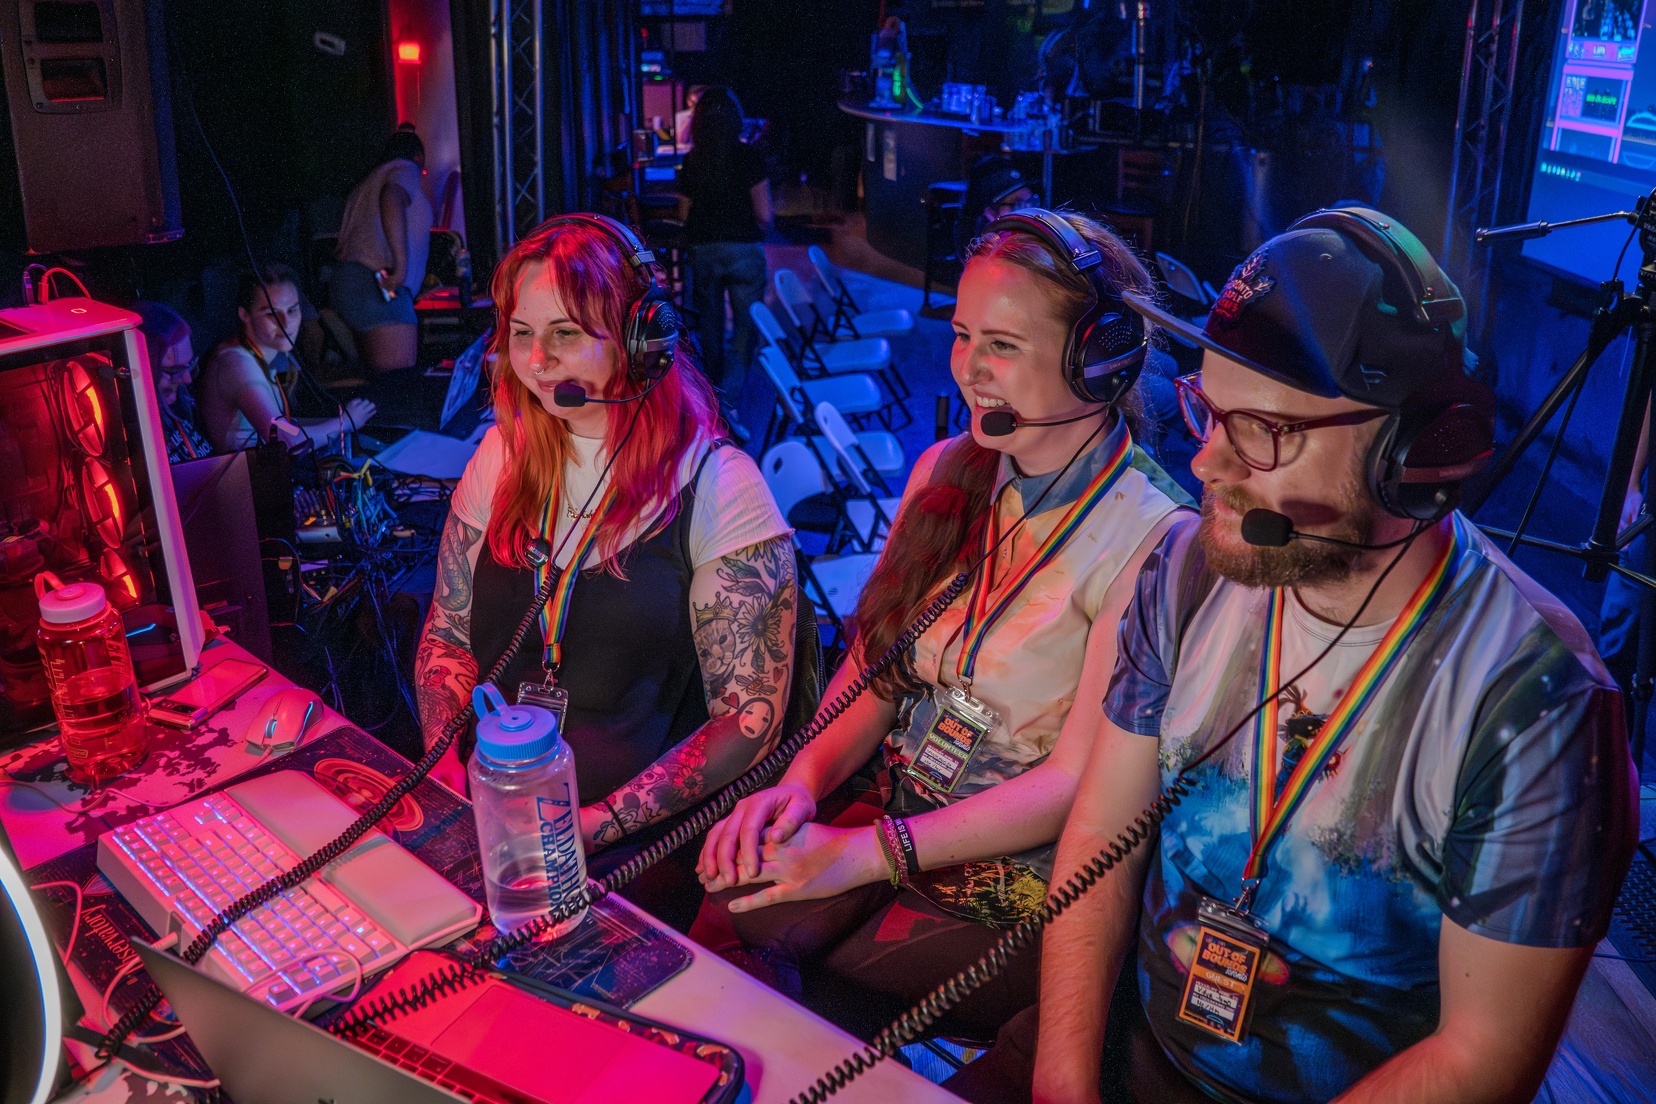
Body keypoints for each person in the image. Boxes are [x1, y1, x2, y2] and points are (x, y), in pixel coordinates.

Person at [970, 211, 1638, 1104]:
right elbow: (1099, 836)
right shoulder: (1188, 569)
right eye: (1206, 411)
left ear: (1413, 457)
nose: (1207, 463)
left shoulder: (1537, 701)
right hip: (1129, 1044)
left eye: (1261, 432)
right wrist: (1062, 1082)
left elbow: (1483, 1056)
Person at [691, 211, 1191, 1041]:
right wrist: (798, 785)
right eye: (962, 337)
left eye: (1003, 344)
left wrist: (857, 854)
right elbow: (872, 676)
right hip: (894, 817)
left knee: (807, 991)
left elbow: (1075, 783)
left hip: (1018, 879)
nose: (969, 370)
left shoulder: (1152, 538)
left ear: (1099, 357)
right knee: (738, 910)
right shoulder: (948, 470)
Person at [412, 214, 798, 931]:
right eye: (521, 334)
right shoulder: (498, 457)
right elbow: (447, 635)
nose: (536, 359)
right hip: (489, 823)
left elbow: (748, 721)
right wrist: (443, 780)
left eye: (565, 333)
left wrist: (593, 826)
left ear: (641, 341)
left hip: (632, 847)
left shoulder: (718, 487)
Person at [676, 86, 771, 439]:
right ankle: (729, 399)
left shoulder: (692, 161)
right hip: (744, 248)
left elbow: (683, 214)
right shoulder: (750, 158)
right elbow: (764, 214)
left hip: (704, 250)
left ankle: (711, 397)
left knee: (710, 324)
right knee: (746, 328)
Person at [200, 264, 375, 453]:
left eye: (292, 310)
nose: (286, 324)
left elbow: (285, 427)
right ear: (245, 315)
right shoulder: (237, 363)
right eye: (272, 314)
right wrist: (346, 423)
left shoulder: (268, 354)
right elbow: (288, 441)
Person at [332, 125, 434, 373]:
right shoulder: (404, 169)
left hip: (352, 282)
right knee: (397, 382)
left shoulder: (369, 182)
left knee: (377, 382)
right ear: (419, 157)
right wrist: (401, 268)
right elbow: (392, 198)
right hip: (379, 284)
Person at [134, 301, 212, 464]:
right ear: (143, 366)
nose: (187, 379)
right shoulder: (137, 437)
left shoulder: (183, 405)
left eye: (189, 366)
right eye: (175, 370)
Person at [958, 155, 1040, 257]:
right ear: (991, 213)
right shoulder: (985, 255)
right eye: (1018, 204)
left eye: (1031, 201)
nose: (1028, 209)